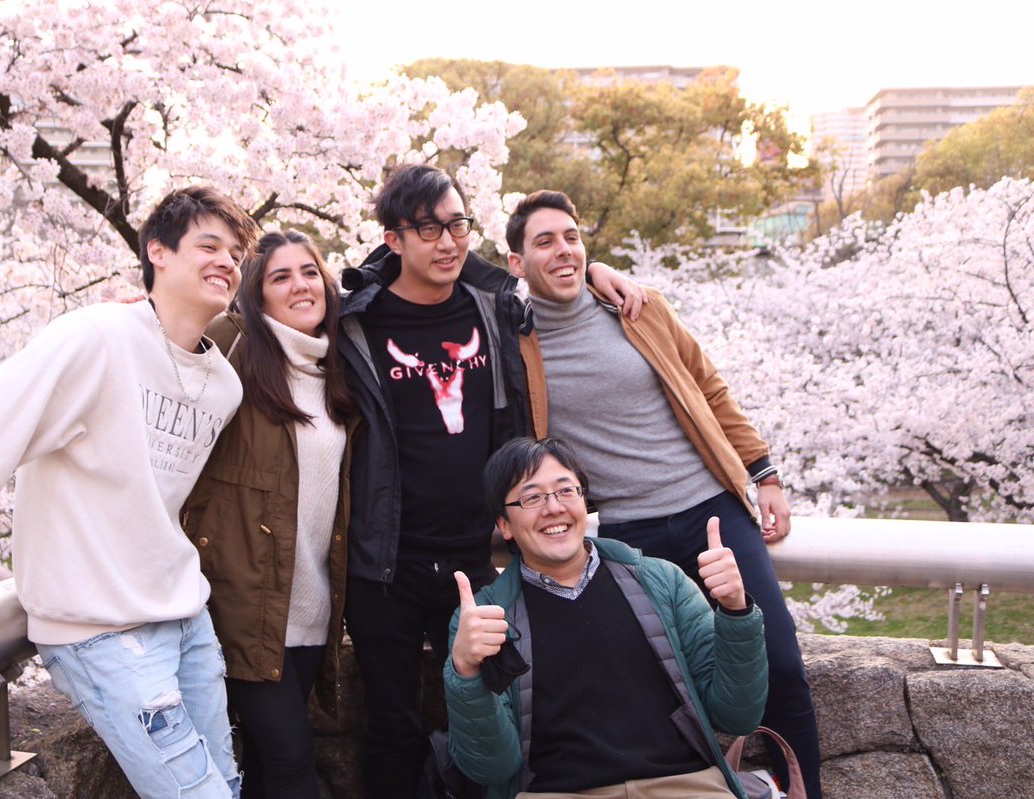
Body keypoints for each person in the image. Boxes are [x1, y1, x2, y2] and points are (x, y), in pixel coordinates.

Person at [0, 186, 258, 798]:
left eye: (235, 254)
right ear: (158, 251)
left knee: (227, 781)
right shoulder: (94, 338)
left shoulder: (223, 385)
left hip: (187, 616)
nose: (226, 261)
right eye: (208, 246)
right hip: (101, 630)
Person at [337, 164, 644, 798]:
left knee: (498, 715)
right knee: (392, 725)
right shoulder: (356, 323)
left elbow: (555, 278)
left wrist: (596, 270)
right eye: (428, 230)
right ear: (393, 239)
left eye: (457, 225)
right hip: (386, 564)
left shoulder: (495, 307)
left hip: (478, 558)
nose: (448, 242)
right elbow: (272, 319)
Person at [506, 189, 822, 798]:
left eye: (572, 238)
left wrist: (764, 475)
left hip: (712, 512)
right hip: (629, 537)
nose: (564, 250)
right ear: (517, 263)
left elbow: (709, 387)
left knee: (779, 662)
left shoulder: (638, 309)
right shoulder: (513, 342)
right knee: (664, 686)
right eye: (544, 242)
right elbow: (447, 268)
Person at [445, 437, 767, 798]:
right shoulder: (487, 619)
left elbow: (738, 715)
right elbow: (492, 767)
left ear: (584, 502)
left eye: (566, 491)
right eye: (532, 498)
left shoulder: (661, 581)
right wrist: (466, 673)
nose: (553, 508)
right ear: (504, 524)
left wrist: (736, 611)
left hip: (684, 785)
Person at [183, 230, 357, 799]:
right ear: (255, 295)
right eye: (280, 277)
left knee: (265, 766)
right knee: (291, 763)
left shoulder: (338, 363)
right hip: (244, 607)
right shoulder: (230, 347)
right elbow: (163, 352)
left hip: (311, 608)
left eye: (310, 272)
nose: (300, 286)